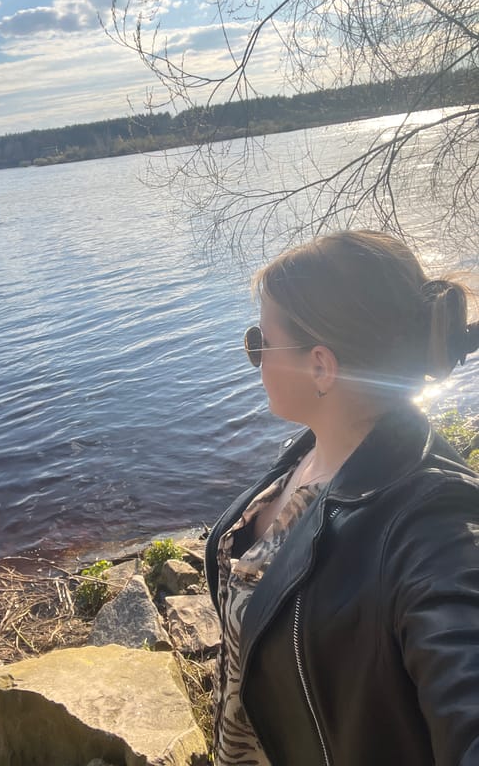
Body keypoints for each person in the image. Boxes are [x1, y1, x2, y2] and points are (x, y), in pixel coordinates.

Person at [205, 230, 479, 766]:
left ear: (321, 366)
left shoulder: (431, 523)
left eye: (260, 341)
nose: (253, 357)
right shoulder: (313, 449)